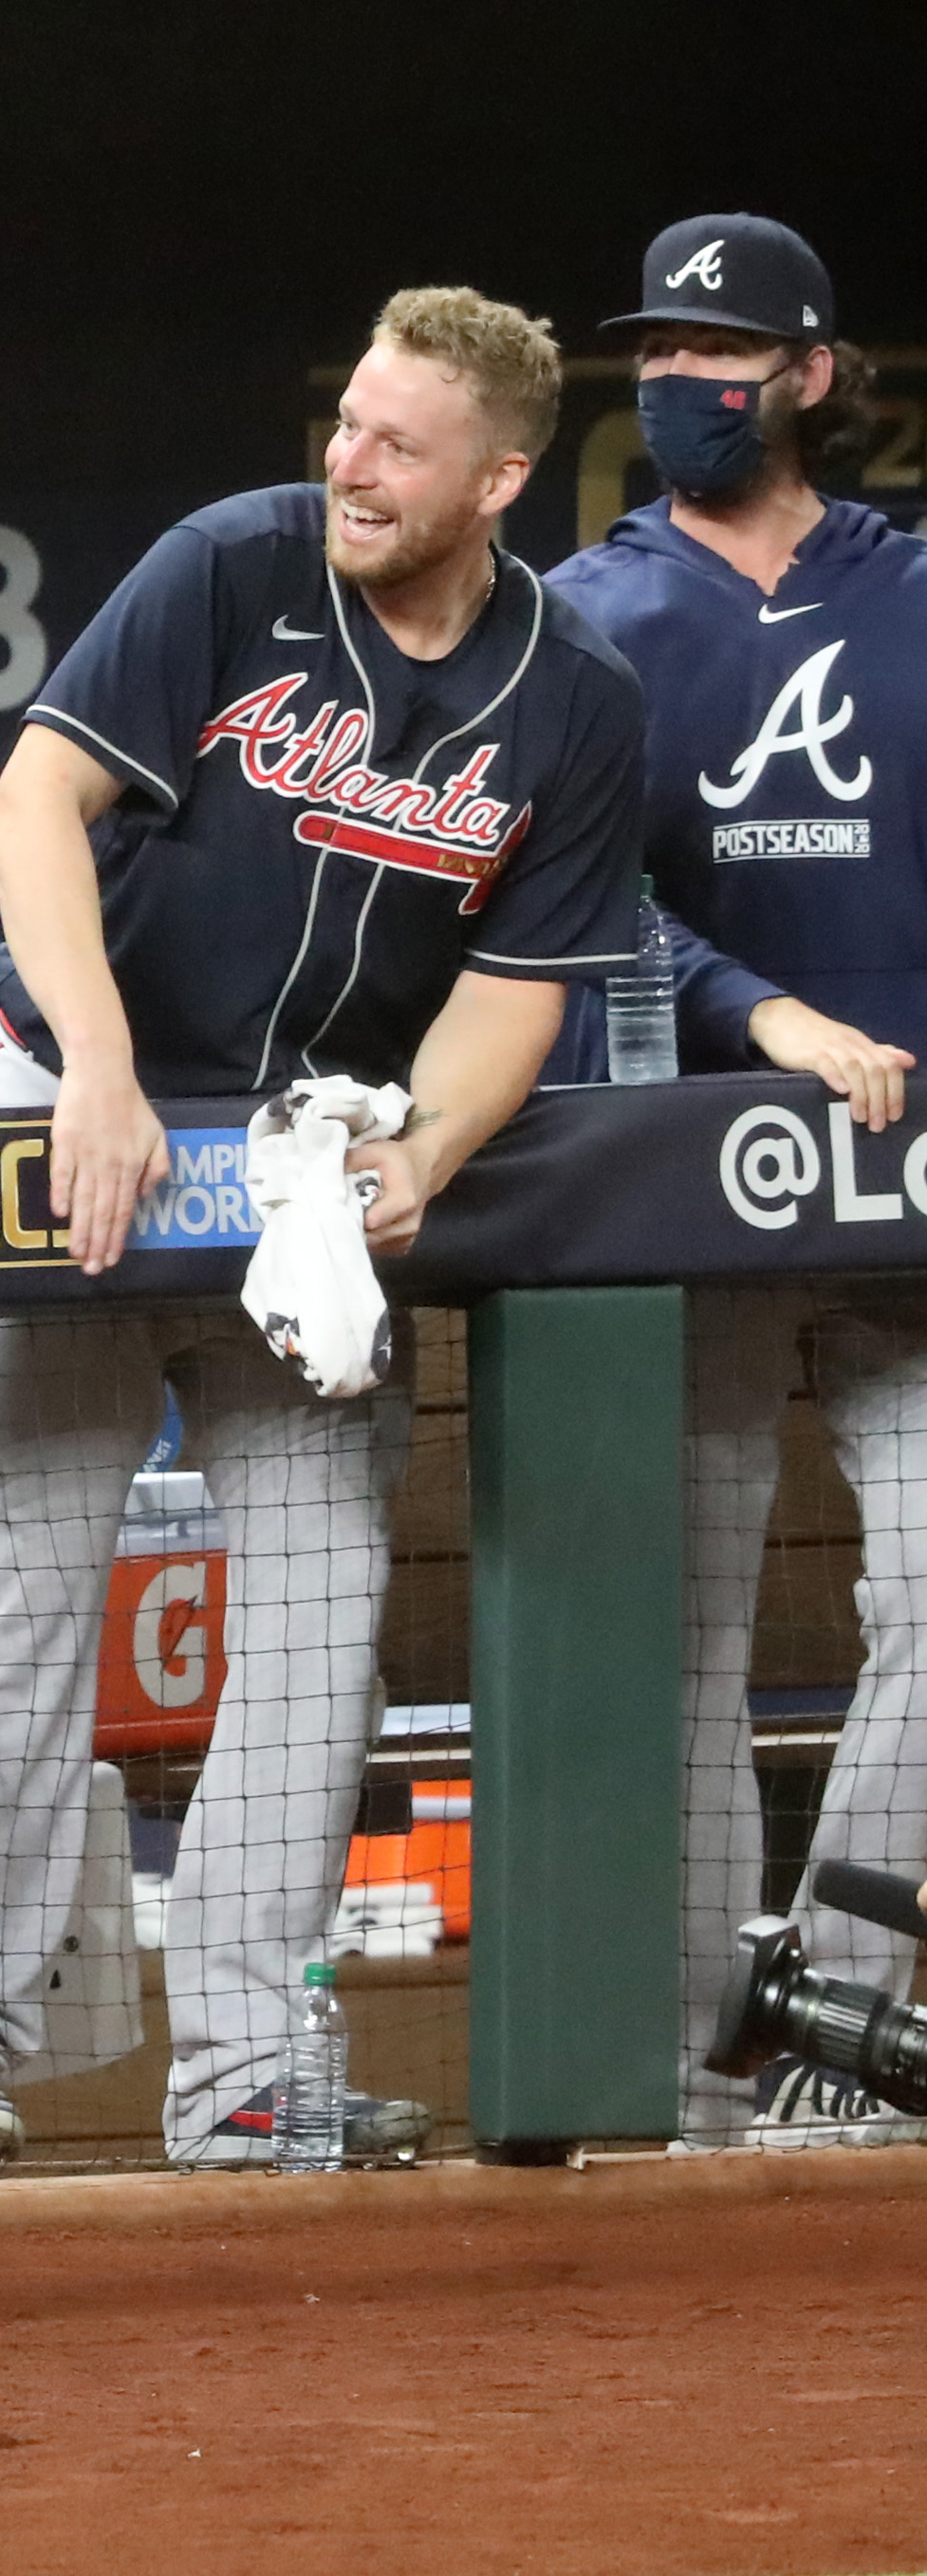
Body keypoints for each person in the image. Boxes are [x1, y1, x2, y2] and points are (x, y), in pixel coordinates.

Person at [0, 287, 643, 2170]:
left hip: (303, 1176)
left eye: (397, 444)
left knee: (316, 1626)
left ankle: (243, 2071)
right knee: (22, 1605)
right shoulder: (232, 569)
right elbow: (32, 809)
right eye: (348, 424)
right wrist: (99, 1071)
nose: (349, 465)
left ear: (503, 479)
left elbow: (518, 988)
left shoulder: (575, 697)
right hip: (92, 1123)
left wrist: (431, 1151)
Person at [540, 213, 927, 2148]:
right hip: (677, 1180)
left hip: (915, 1203)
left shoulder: (918, 593)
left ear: (813, 378)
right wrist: (757, 1012)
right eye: (659, 347)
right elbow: (570, 899)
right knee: (677, 1632)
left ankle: (837, 2039)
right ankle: (705, 2078)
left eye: (722, 347)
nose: (683, 377)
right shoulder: (584, 617)